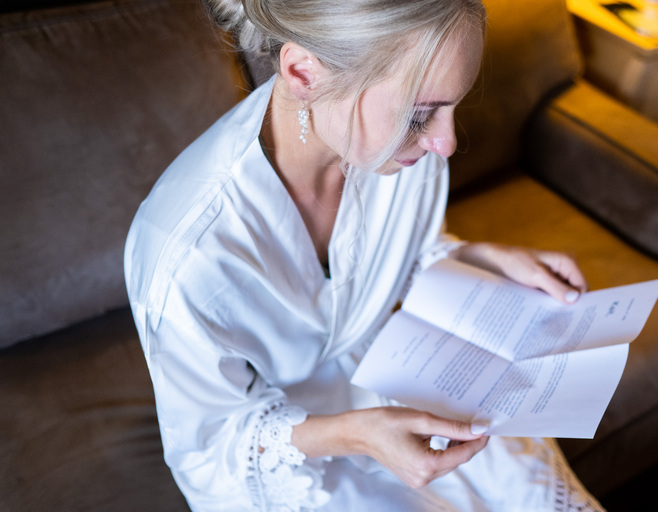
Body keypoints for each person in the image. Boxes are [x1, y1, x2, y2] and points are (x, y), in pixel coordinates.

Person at [124, 0, 605, 510]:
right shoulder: (191, 253)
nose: (446, 142)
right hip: (297, 453)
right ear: (303, 73)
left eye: (452, 105)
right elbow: (208, 449)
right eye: (422, 114)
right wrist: (354, 435)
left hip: (403, 375)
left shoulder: (399, 154)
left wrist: (479, 258)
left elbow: (389, 258)